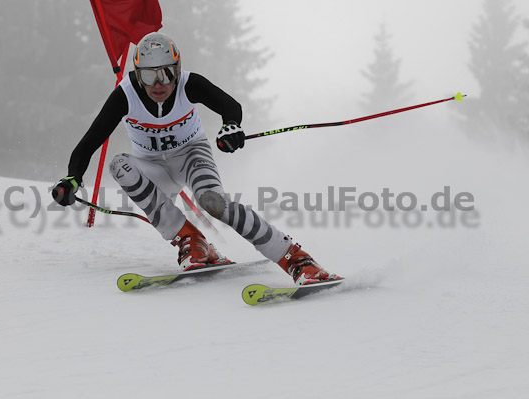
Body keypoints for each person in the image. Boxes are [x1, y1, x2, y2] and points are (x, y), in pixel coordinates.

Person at [52, 32, 339, 285]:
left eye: (166, 73)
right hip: (154, 170)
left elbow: (230, 106)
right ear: (138, 75)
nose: (159, 83)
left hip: (191, 156)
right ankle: (192, 241)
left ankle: (296, 259)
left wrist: (231, 127)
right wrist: (72, 178)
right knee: (118, 164)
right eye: (149, 75)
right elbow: (89, 142)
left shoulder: (189, 84)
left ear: (177, 69)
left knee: (212, 201)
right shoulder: (125, 95)